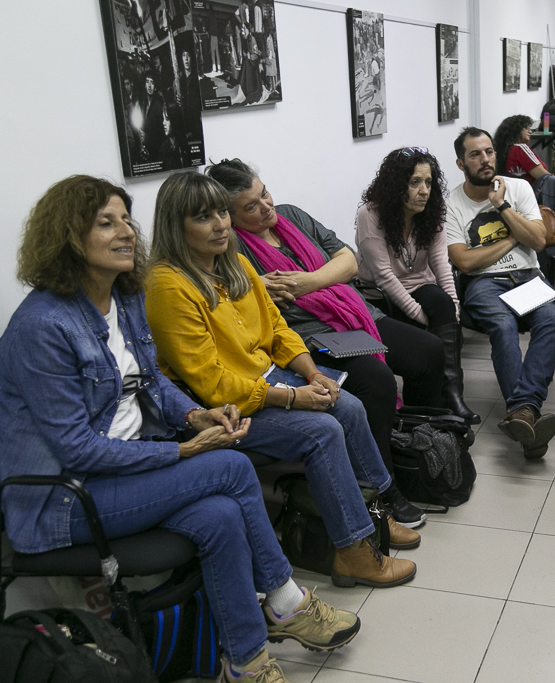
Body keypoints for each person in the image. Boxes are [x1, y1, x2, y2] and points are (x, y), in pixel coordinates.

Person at [0, 175, 361, 683]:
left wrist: (192, 417)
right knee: (230, 468)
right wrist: (183, 452)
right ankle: (286, 602)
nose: (126, 232)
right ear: (68, 237)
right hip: (63, 500)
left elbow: (152, 382)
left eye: (126, 219)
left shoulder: (123, 297)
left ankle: (246, 662)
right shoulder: (42, 327)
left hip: (124, 469)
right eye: (106, 223)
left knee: (220, 515)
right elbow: (77, 450)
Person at [145, 172, 421, 586]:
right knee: (323, 432)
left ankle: (377, 511)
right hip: (220, 408)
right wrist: (292, 398)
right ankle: (353, 550)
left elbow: (278, 329)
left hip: (267, 380)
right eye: (203, 217)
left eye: (222, 212)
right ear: (176, 227)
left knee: (348, 405)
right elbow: (212, 384)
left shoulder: (235, 264)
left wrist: (311, 372)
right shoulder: (168, 286)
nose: (220, 225)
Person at [205, 159, 443, 527]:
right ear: (229, 216)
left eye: (265, 193)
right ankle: (383, 487)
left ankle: (414, 450)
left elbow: (349, 261)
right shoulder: (233, 250)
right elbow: (236, 295)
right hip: (311, 334)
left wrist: (308, 282)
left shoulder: (291, 216)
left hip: (356, 313)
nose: (266, 206)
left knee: (429, 352)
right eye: (251, 206)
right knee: (375, 380)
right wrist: (260, 284)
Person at [446, 127, 555, 459]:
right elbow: (464, 262)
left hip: (527, 277)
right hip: (483, 283)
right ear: (461, 163)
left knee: (551, 316)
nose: (485, 159)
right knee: (502, 324)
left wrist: (502, 207)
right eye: (475, 154)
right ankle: (528, 413)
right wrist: (513, 237)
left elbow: (538, 241)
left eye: (489, 152)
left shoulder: (518, 188)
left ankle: (522, 412)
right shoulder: (452, 204)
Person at [355, 147, 480, 423]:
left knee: (443, 304)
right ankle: (433, 408)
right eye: (415, 183)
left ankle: (452, 396)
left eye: (428, 182)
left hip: (420, 287)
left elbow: (441, 265)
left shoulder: (432, 212)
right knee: (432, 330)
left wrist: (454, 308)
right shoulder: (370, 214)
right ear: (395, 185)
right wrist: (421, 316)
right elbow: (383, 277)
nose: (424, 191)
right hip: (379, 296)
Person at [494, 114, 555, 181]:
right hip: (532, 187)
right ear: (516, 130)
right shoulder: (520, 148)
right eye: (527, 128)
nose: (530, 131)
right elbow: (544, 177)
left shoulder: (505, 150)